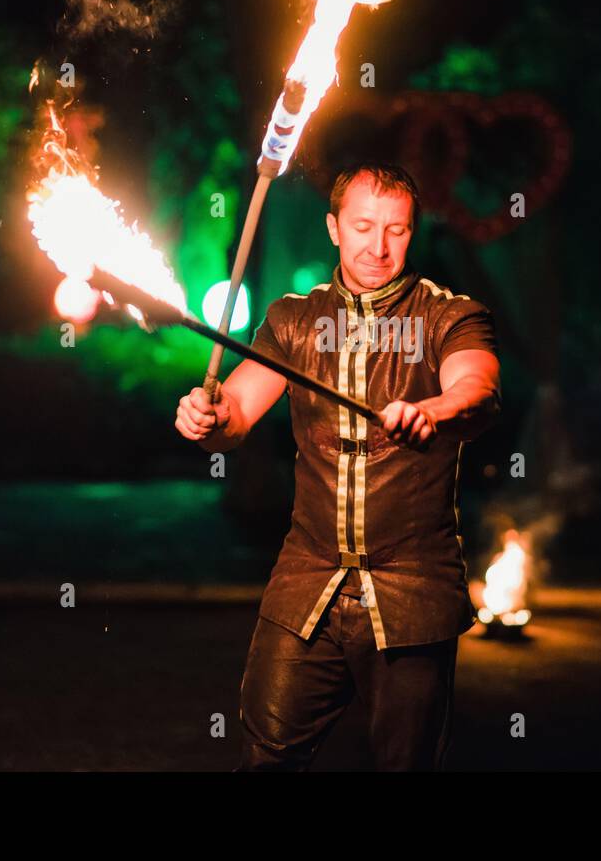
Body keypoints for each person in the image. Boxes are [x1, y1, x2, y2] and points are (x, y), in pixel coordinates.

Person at [174, 161, 501, 770]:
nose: (378, 245)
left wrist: (433, 411)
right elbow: (236, 413)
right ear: (333, 227)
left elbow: (477, 392)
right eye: (363, 226)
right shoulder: (293, 319)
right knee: (266, 758)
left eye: (396, 229)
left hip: (413, 590)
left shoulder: (448, 316)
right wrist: (209, 421)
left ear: (413, 231)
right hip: (308, 583)